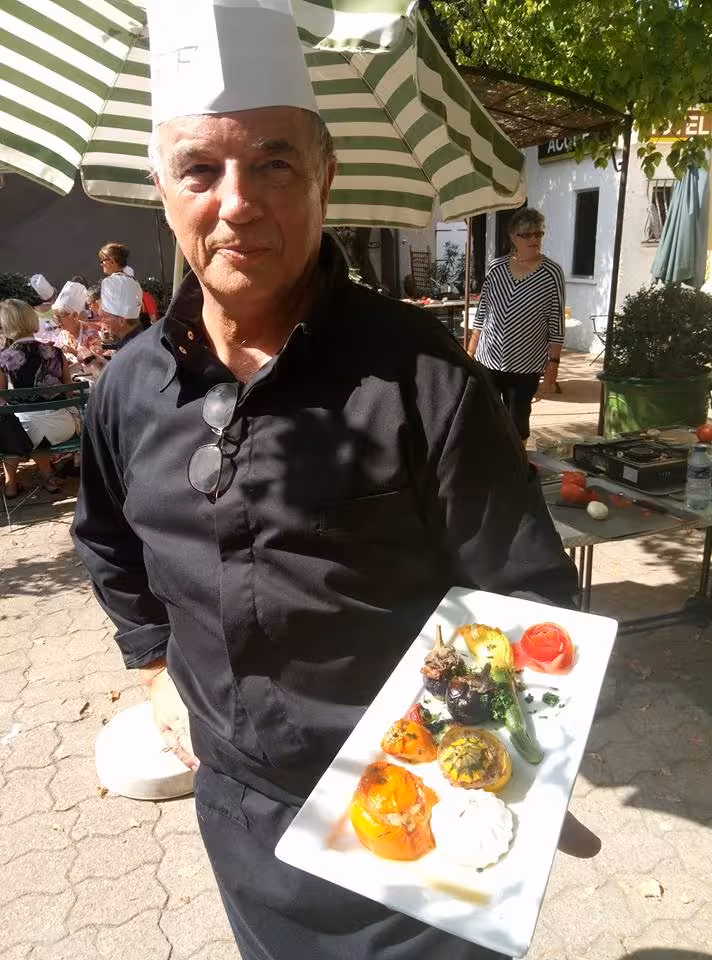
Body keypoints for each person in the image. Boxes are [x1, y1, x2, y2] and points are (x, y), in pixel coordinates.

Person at [72, 3, 587, 958]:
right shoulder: (129, 388)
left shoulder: (421, 376)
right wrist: (151, 668)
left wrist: (517, 769)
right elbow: (106, 540)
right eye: (199, 168)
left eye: (272, 162)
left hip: (419, 822)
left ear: (324, 177)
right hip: (239, 811)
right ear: (161, 185)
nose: (235, 200)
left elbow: (524, 597)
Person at [467, 208, 565, 442]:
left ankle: (516, 469)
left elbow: (556, 324)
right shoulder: (496, 268)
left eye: (538, 234)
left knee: (517, 421)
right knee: (486, 417)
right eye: (527, 235)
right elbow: (482, 313)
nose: (534, 239)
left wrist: (552, 368)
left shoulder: (551, 273)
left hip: (526, 365)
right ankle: (488, 467)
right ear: (513, 237)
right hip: (488, 360)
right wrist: (469, 354)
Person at [0, 299, 75, 497]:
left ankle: (10, 484)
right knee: (37, 429)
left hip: (23, 431)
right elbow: (68, 392)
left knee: (13, 425)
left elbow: (1, 400)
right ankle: (48, 478)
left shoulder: (2, 358)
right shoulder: (56, 352)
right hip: (62, 427)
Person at [52, 281, 104, 377]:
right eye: (55, 317)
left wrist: (73, 352)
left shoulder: (90, 333)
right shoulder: (63, 335)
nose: (57, 320)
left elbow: (96, 361)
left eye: (60, 316)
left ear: (75, 315)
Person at [98, 273, 144, 353]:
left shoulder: (131, 350)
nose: (103, 321)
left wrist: (92, 362)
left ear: (122, 321)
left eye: (105, 317)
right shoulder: (138, 338)